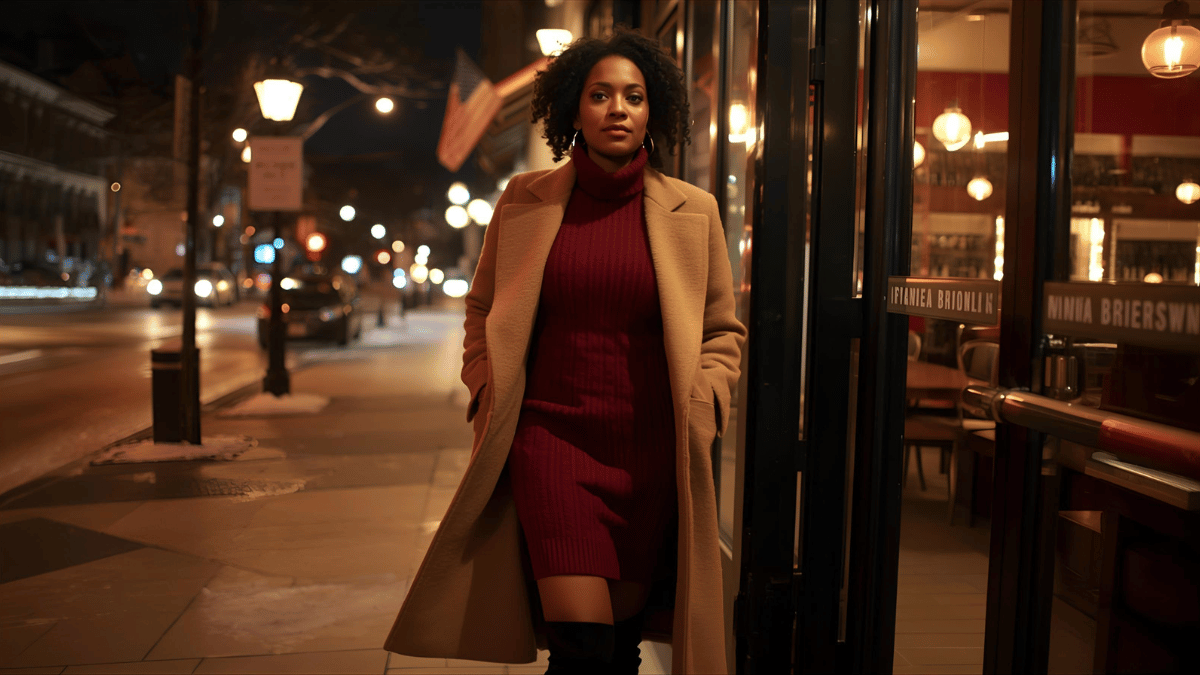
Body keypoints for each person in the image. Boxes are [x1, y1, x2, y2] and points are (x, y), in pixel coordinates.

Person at [384, 28, 745, 675]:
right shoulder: (526, 199)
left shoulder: (696, 211)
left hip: (650, 456)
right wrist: (484, 379)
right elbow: (482, 306)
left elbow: (722, 330)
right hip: (552, 445)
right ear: (572, 109)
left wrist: (707, 397)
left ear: (652, 110)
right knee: (583, 648)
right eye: (600, 94)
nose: (618, 108)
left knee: (621, 649)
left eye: (633, 96)